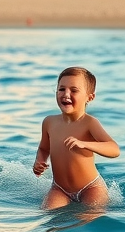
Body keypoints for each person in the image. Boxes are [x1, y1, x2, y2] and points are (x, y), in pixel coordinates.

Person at [32, 67, 120, 208]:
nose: (66, 94)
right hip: (59, 188)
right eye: (61, 89)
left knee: (90, 216)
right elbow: (43, 148)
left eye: (74, 90)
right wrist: (39, 161)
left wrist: (85, 144)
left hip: (90, 187)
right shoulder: (49, 122)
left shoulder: (89, 123)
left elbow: (114, 149)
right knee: (48, 217)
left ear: (89, 97)